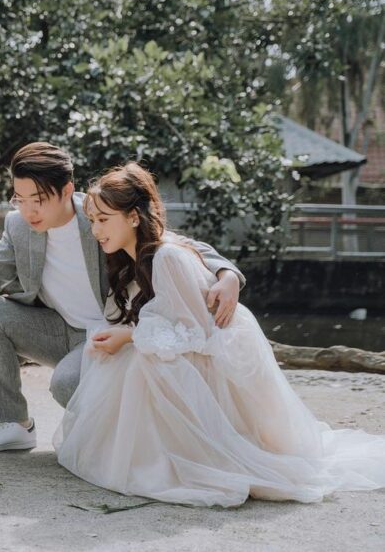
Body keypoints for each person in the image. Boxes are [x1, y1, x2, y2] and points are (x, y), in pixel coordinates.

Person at [54, 162, 385, 506]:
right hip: (198, 345)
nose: (95, 230)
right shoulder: (130, 255)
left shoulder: (166, 256)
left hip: (213, 354)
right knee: (126, 361)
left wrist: (127, 335)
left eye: (104, 219)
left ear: (134, 217)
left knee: (142, 365)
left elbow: (191, 335)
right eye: (92, 220)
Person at [0, 142, 244, 453]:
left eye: (38, 199)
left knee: (66, 386)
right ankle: (12, 425)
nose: (28, 210)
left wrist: (226, 273)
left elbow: (166, 240)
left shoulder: (97, 212)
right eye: (19, 199)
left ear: (66, 190)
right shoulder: (18, 226)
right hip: (59, 329)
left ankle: (127, 432)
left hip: (112, 333)